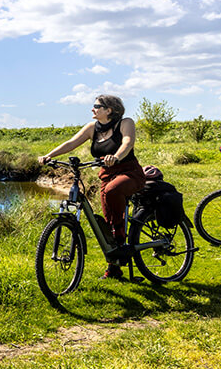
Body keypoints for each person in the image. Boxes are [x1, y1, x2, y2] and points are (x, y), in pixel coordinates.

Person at [38, 95, 145, 279]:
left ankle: (120, 241)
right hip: (106, 176)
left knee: (113, 193)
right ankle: (114, 266)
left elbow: (127, 142)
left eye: (96, 106)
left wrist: (116, 157)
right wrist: (49, 155)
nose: (92, 109)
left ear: (109, 110)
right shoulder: (91, 128)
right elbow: (71, 143)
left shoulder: (125, 123)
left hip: (129, 173)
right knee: (106, 216)